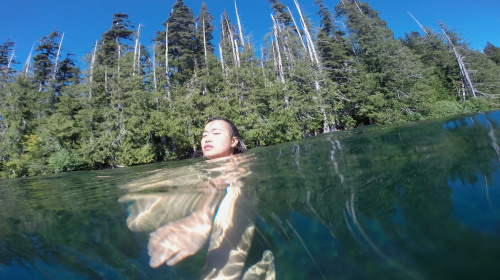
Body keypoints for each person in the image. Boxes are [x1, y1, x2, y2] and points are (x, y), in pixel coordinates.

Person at [121, 118, 274, 280]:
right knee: (136, 221)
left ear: (233, 141)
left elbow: (223, 181)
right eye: (204, 135)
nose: (207, 138)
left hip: (239, 198)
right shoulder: (203, 167)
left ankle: (258, 271)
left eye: (215, 133)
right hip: (216, 193)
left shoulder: (239, 162)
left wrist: (200, 217)